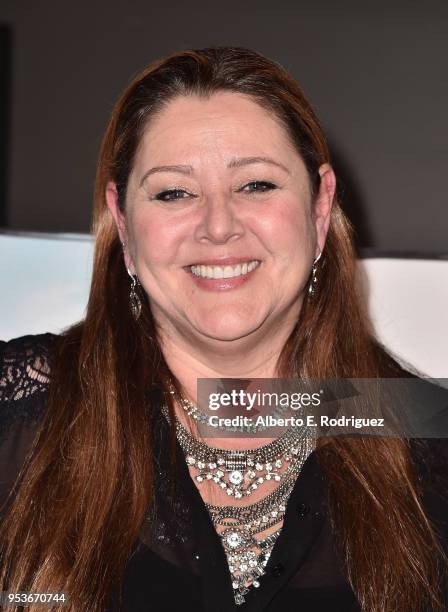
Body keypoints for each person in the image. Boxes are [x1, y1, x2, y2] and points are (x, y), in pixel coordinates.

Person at [0, 46, 447, 612]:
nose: (218, 225)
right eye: (173, 192)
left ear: (318, 207)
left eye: (256, 185)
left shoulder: (428, 449)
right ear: (123, 223)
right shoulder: (17, 418)